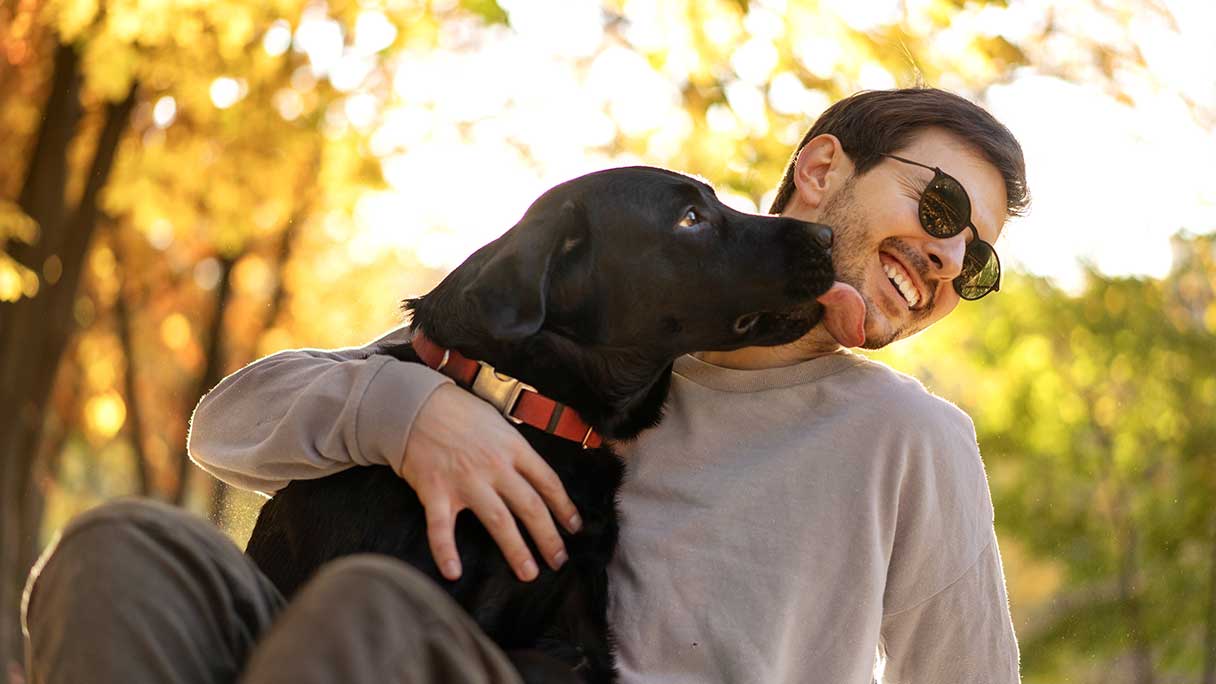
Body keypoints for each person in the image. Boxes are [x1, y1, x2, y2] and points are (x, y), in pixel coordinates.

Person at [22, 87, 1028, 684]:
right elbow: (230, 426)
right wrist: (405, 413)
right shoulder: (613, 333)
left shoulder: (908, 439)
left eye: (975, 260)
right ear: (820, 168)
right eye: (936, 203)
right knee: (126, 549)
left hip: (433, 653)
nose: (946, 256)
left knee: (364, 615)